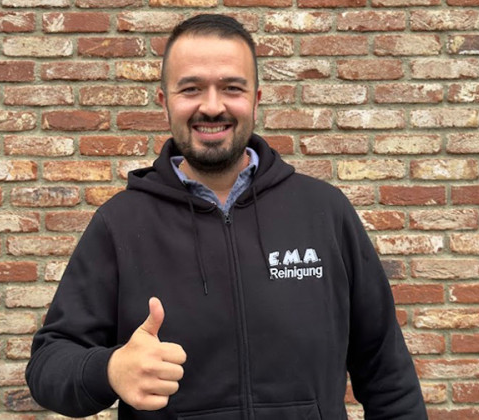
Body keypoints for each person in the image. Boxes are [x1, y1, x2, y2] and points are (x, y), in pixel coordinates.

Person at [25, 14, 427, 420]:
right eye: (191, 89)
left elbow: (388, 375)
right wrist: (110, 370)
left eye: (232, 88)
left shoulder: (324, 212)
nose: (212, 106)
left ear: (256, 98)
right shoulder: (121, 224)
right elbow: (48, 364)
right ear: (164, 101)